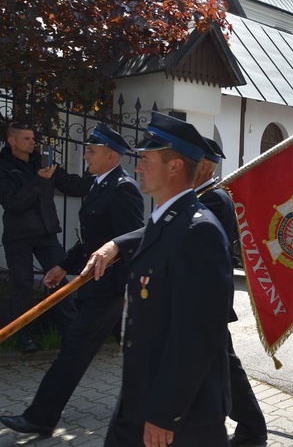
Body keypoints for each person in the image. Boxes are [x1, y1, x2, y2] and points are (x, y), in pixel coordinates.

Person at [80, 112, 234, 446]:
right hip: (142, 392)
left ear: (175, 167)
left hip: (181, 414)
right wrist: (115, 244)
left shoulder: (199, 231)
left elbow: (197, 335)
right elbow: (148, 235)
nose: (137, 167)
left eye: (146, 160)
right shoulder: (166, 220)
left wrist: (166, 413)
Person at [0, 123, 144, 437]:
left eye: (91, 152)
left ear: (110, 155)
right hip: (100, 286)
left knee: (74, 351)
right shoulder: (100, 185)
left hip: (110, 289)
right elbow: (92, 239)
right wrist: (63, 266)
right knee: (140, 354)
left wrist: (125, 292)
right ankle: (160, 403)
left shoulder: (123, 188)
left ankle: (40, 417)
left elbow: (130, 242)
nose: (86, 157)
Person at [195, 136, 268, 447]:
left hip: (207, 300)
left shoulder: (213, 199)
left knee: (225, 364)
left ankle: (253, 427)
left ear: (203, 166)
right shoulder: (201, 195)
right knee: (217, 364)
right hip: (199, 300)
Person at [0, 122, 94, 352]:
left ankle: (70, 334)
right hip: (18, 236)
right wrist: (39, 181)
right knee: (21, 284)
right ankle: (24, 336)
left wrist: (94, 170)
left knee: (59, 281)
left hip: (46, 232)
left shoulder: (43, 163)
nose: (32, 142)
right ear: (12, 141)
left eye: (33, 138)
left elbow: (75, 186)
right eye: (26, 138)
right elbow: (13, 202)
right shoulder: (3, 167)